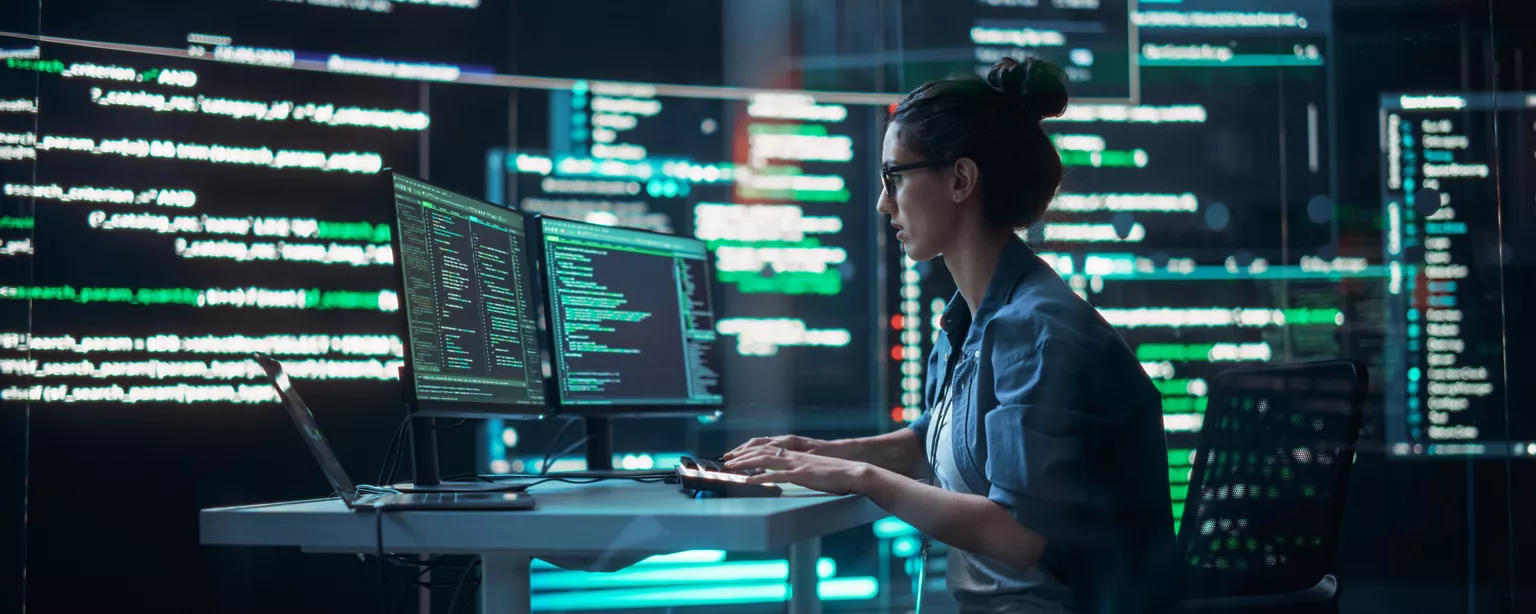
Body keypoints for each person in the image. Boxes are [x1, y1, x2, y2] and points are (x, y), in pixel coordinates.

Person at [724, 56, 1176, 613]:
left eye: (895, 178)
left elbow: (1015, 535)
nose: (883, 201)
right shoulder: (975, 316)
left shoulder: (1033, 332)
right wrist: (813, 453)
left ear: (961, 179)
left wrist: (860, 475)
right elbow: (932, 445)